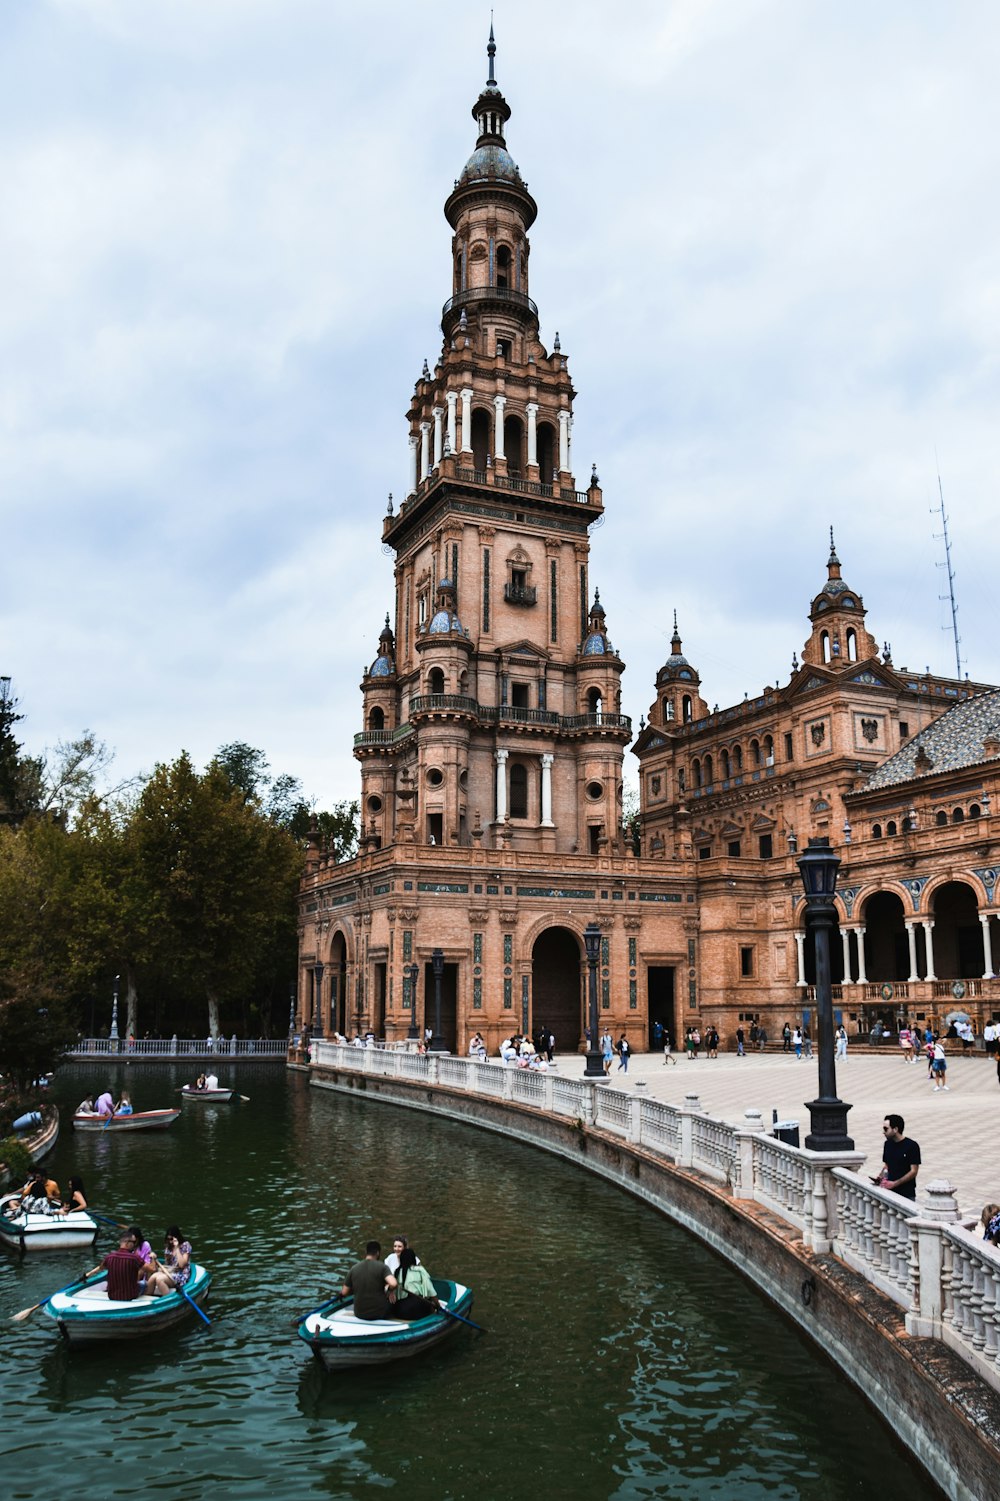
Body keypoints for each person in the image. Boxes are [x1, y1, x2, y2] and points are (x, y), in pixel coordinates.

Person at [341, 1241, 397, 1320]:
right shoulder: (382, 1267)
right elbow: (393, 1283)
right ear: (378, 1253)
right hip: (380, 1313)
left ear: (366, 1252)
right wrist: (390, 1290)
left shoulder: (354, 1268)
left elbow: (344, 1292)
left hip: (359, 1313)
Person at [102, 1230, 154, 1302]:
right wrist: (153, 1258)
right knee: (144, 1283)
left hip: (112, 1296)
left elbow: (101, 1267)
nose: (134, 1244)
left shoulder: (109, 1257)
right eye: (133, 1242)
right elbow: (152, 1269)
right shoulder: (135, 1258)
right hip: (129, 1296)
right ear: (127, 1243)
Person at [877, 1115, 921, 1200]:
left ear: (895, 1129)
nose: (883, 1132)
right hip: (889, 1191)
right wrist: (880, 1176)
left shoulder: (912, 1146)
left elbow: (914, 1171)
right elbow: (887, 1165)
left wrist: (895, 1183)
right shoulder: (887, 1144)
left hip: (906, 1193)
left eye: (886, 1129)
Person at [391, 1247, 440, 1320]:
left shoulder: (397, 1272)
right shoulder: (419, 1270)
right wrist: (438, 1305)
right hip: (417, 1308)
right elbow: (430, 1290)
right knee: (429, 1303)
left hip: (400, 1311)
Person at [146, 1225, 193, 1297]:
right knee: (153, 1277)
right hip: (171, 1272)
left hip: (181, 1274)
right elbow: (167, 1264)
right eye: (168, 1239)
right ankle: (147, 1297)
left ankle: (168, 1299)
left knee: (159, 1279)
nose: (170, 1242)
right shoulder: (168, 1247)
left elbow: (182, 1265)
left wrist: (177, 1248)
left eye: (171, 1239)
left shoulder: (185, 1245)